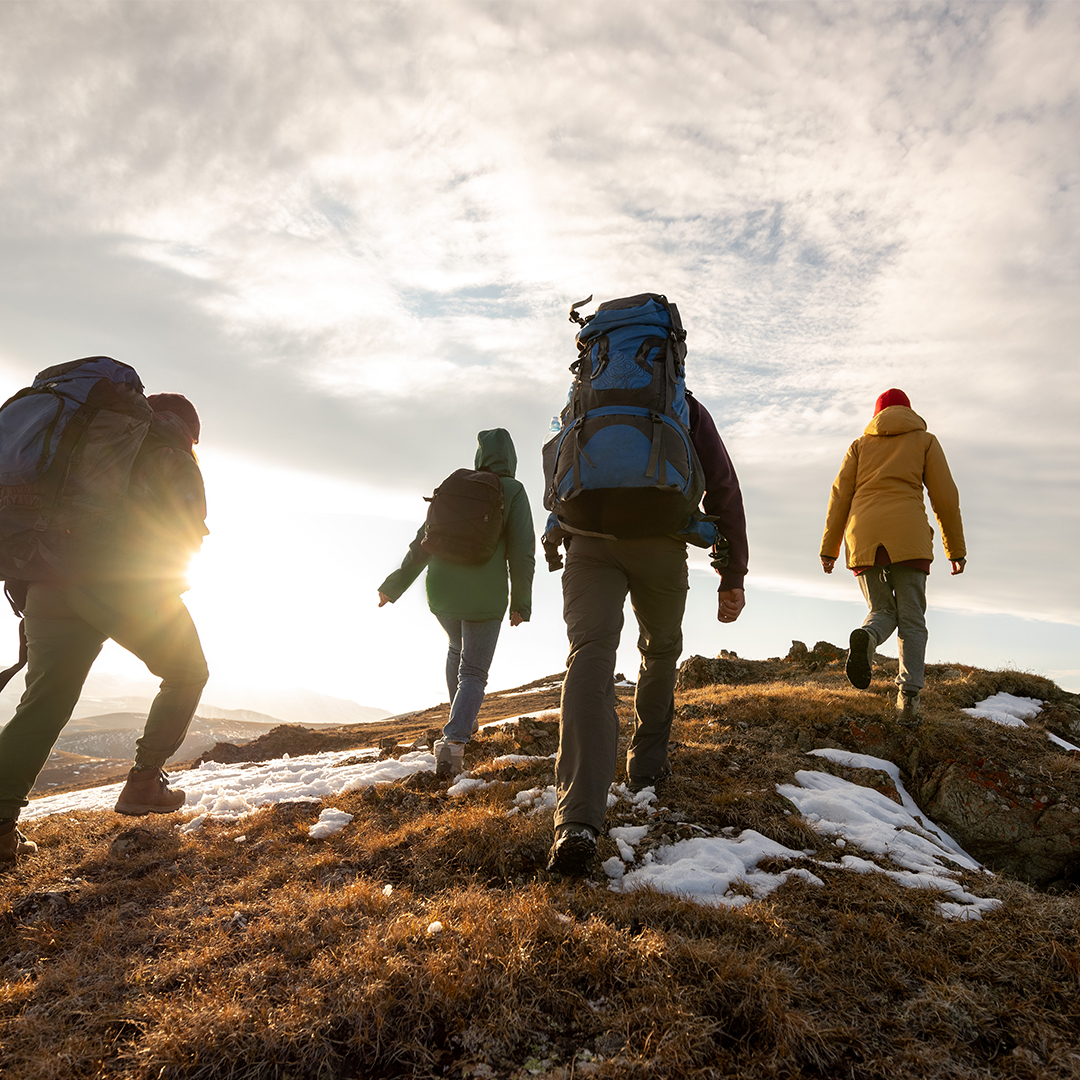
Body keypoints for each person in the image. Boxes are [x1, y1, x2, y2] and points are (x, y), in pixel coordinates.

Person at [543, 392, 748, 875]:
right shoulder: (681, 405)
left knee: (590, 655)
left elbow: (558, 470)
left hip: (589, 544)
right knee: (659, 650)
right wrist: (732, 573)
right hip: (660, 543)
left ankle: (576, 820)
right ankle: (647, 767)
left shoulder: (584, 400)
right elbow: (722, 486)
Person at [0, 392, 209, 862]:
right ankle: (143, 782)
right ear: (187, 430)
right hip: (120, 581)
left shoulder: (84, 445)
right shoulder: (169, 451)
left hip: (46, 580)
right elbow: (185, 530)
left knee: (43, 703)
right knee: (187, 671)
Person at [378, 428, 535, 778]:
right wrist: (521, 602)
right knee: (474, 670)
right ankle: (454, 741)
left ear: (480, 457)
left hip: (442, 592)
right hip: (485, 596)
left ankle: (461, 719)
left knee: (456, 649)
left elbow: (422, 541)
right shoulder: (513, 491)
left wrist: (394, 585)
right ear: (511, 459)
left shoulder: (456, 486)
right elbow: (522, 552)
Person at [819, 388, 966, 722]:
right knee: (912, 618)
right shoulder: (925, 441)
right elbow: (945, 497)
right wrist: (955, 549)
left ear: (876, 415)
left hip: (864, 537)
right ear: (909, 412)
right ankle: (908, 701)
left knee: (882, 609)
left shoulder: (859, 445)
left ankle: (868, 637)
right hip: (909, 537)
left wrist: (830, 548)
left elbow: (839, 497)